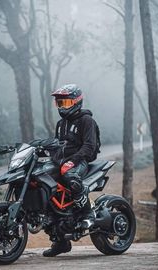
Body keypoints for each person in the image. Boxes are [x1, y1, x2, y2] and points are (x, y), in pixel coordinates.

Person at [43, 84, 100, 257]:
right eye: (60, 103)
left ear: (76, 101)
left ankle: (88, 214)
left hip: (80, 160)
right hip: (62, 161)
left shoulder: (86, 120)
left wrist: (72, 161)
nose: (62, 107)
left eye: (66, 103)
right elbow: (58, 145)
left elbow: (89, 147)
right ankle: (60, 242)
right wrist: (44, 151)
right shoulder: (61, 124)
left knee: (70, 176)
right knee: (44, 181)